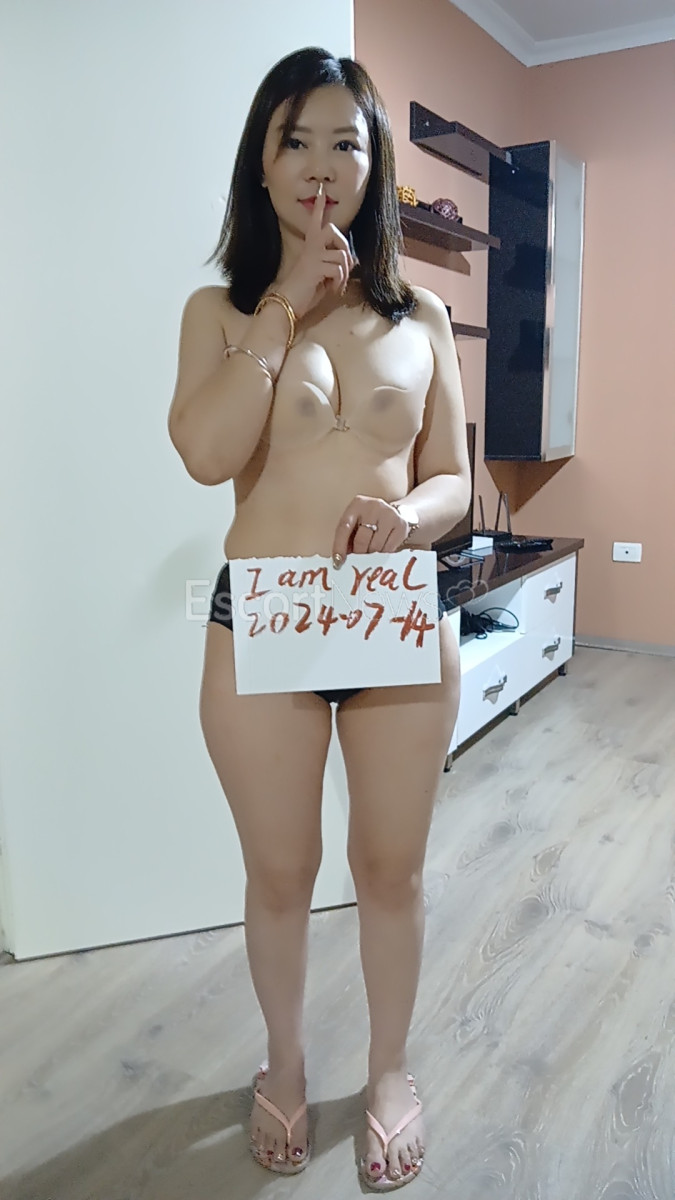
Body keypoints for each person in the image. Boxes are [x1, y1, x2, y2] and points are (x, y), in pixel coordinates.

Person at [168, 46, 471, 1192]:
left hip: (392, 615)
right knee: (280, 873)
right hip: (266, 618)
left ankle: (390, 1071)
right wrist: (287, 306)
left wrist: (410, 518)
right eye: (295, 138)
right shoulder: (222, 311)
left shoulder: (423, 313)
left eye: (346, 141)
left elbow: (452, 478)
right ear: (262, 160)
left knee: (391, 868)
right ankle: (285, 1064)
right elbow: (206, 455)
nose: (320, 164)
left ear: (373, 164)